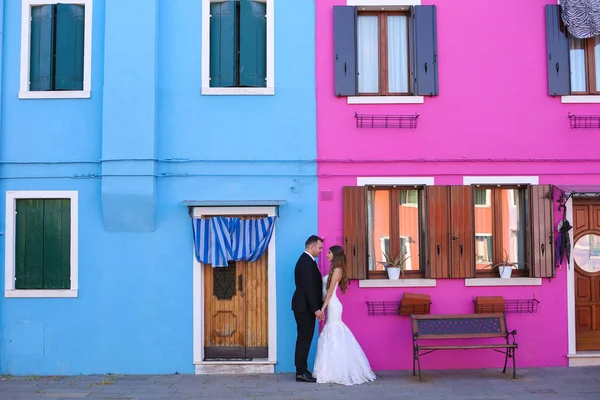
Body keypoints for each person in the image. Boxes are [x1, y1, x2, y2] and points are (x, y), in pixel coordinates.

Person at [313, 245, 376, 385]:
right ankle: (331, 369)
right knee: (332, 334)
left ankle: (339, 370)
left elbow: (329, 292)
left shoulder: (337, 270)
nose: (326, 254)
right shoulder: (333, 269)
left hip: (333, 306)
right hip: (330, 305)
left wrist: (322, 308)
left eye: (329, 252)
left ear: (335, 255)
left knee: (334, 333)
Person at [291, 235, 324, 383]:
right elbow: (309, 288)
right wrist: (316, 309)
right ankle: (300, 372)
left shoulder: (307, 261)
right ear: (312, 247)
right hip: (304, 307)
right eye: (320, 247)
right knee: (304, 339)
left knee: (305, 338)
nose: (321, 251)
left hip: (304, 306)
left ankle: (302, 369)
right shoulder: (305, 262)